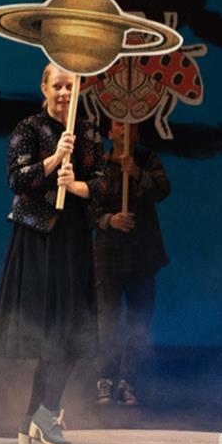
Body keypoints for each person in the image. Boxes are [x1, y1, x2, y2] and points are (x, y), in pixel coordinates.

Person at [0, 63, 107, 444]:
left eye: (70, 86)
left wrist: (79, 186)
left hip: (73, 237)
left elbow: (104, 182)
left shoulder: (88, 131)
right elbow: (16, 179)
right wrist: (55, 159)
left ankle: (34, 417)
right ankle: (45, 414)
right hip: (39, 238)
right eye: (58, 86)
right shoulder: (28, 129)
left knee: (71, 330)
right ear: (44, 87)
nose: (64, 93)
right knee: (53, 332)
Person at [91, 120, 170, 406]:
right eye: (118, 125)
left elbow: (162, 190)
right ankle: (105, 379)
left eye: (131, 125)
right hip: (108, 255)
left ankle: (128, 381)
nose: (125, 130)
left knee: (139, 321)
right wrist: (109, 220)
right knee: (107, 323)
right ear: (110, 132)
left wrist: (135, 171)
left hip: (142, 255)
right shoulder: (98, 164)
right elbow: (87, 207)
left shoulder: (147, 160)